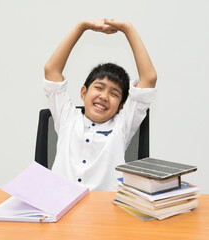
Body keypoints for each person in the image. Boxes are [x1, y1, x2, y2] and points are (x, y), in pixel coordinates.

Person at [44, 19, 157, 191]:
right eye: (99, 88)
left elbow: (149, 78)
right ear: (83, 93)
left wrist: (128, 29)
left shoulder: (122, 125)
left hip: (104, 211)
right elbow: (51, 70)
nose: (104, 96)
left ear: (121, 106)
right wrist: (81, 27)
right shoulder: (67, 117)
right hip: (60, 206)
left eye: (114, 94)